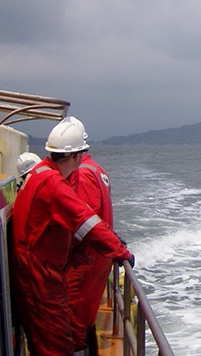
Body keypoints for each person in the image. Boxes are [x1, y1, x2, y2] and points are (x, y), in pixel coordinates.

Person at [10, 121, 133, 356]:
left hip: (32, 272)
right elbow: (86, 221)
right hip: (41, 276)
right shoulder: (53, 184)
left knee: (42, 340)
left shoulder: (36, 175)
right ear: (76, 156)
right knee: (56, 344)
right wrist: (120, 251)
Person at [63, 117, 116, 355]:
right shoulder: (97, 169)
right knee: (84, 319)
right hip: (98, 260)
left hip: (86, 260)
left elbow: (86, 220)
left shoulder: (82, 175)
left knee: (74, 321)